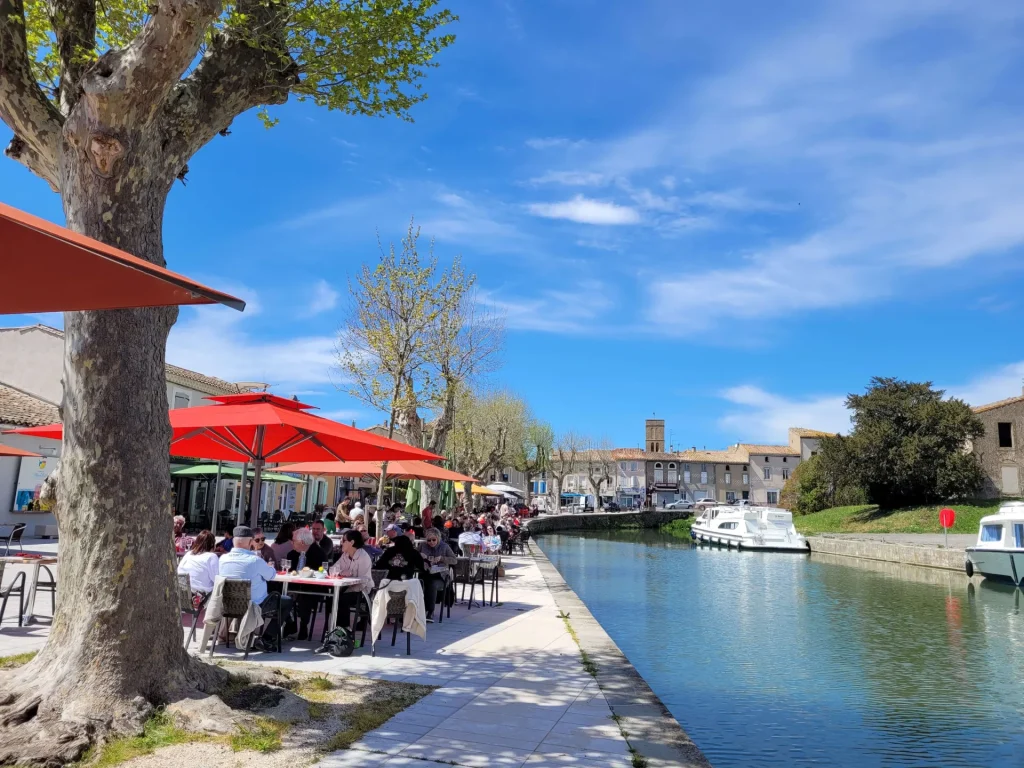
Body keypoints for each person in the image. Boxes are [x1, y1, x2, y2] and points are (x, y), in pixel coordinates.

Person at [218, 526, 294, 648]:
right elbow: (271, 575)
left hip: (229, 604)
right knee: (287, 601)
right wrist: (268, 567)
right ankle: (267, 638)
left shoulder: (223, 559)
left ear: (233, 542)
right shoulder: (255, 560)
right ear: (250, 542)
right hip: (254, 606)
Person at [286, 527, 329, 641]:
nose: (292, 544)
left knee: (304, 596)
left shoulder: (319, 554)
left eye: (294, 541)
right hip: (293, 585)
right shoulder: (292, 555)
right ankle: (289, 623)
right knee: (279, 593)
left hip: (313, 588)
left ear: (302, 542)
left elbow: (323, 572)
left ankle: (303, 626)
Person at [329, 529, 374, 631]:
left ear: (352, 542)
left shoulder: (363, 557)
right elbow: (332, 569)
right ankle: (333, 628)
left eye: (344, 540)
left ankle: (345, 629)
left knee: (342, 599)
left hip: (363, 591)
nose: (341, 542)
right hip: (346, 587)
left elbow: (364, 581)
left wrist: (350, 575)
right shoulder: (345, 555)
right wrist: (341, 572)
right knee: (331, 599)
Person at [417, 528, 457, 623]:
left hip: (441, 576)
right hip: (426, 573)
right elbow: (414, 556)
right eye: (429, 540)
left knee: (432, 585)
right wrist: (420, 557)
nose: (431, 542)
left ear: (438, 538)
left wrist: (442, 559)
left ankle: (430, 611)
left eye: (433, 540)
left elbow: (454, 560)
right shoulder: (422, 546)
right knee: (418, 583)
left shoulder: (444, 546)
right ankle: (418, 610)